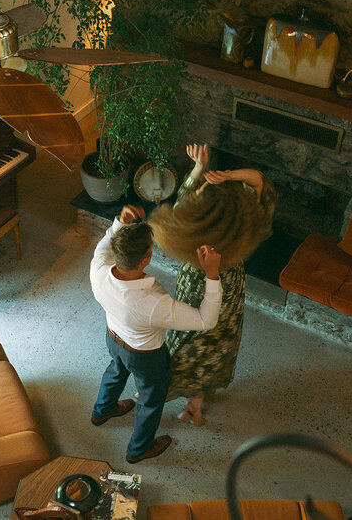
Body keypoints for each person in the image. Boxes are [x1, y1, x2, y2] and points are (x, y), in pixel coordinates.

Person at [148, 143, 277, 426]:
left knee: (183, 343)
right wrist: (228, 176)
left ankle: (181, 398)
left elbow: (185, 194)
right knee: (216, 347)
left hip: (195, 288)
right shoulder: (242, 225)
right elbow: (259, 180)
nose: (199, 188)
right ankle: (196, 401)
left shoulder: (189, 223)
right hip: (227, 293)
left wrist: (199, 167)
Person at [90, 204, 222, 463]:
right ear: (145, 260)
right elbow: (206, 320)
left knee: (115, 371)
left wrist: (119, 222)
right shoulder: (154, 302)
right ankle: (138, 449)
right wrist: (212, 274)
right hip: (145, 357)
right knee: (150, 400)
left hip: (114, 337)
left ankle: (101, 411)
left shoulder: (98, 266)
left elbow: (105, 244)